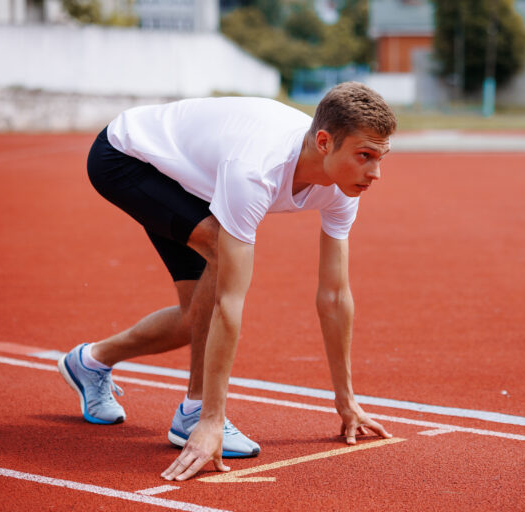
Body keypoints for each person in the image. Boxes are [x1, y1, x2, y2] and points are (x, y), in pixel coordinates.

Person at [57, 82, 396, 480]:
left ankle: (89, 362)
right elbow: (228, 302)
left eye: (381, 157)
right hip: (129, 157)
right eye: (365, 156)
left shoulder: (343, 184)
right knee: (220, 259)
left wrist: (347, 402)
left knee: (192, 318)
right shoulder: (256, 170)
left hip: (199, 176)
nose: (375, 173)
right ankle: (196, 414)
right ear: (324, 142)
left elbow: (335, 295)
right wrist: (213, 420)